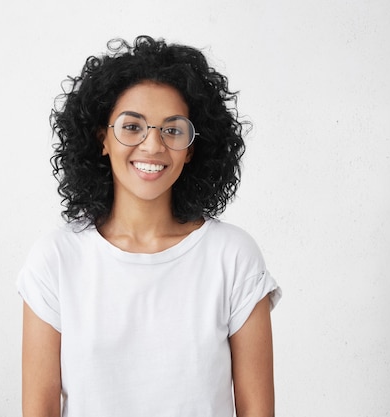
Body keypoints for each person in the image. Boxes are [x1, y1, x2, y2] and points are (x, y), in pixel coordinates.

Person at [17, 35, 281, 417]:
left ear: (191, 149)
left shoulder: (233, 256)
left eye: (172, 130)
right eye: (132, 127)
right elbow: (39, 409)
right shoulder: (56, 259)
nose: (153, 146)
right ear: (102, 138)